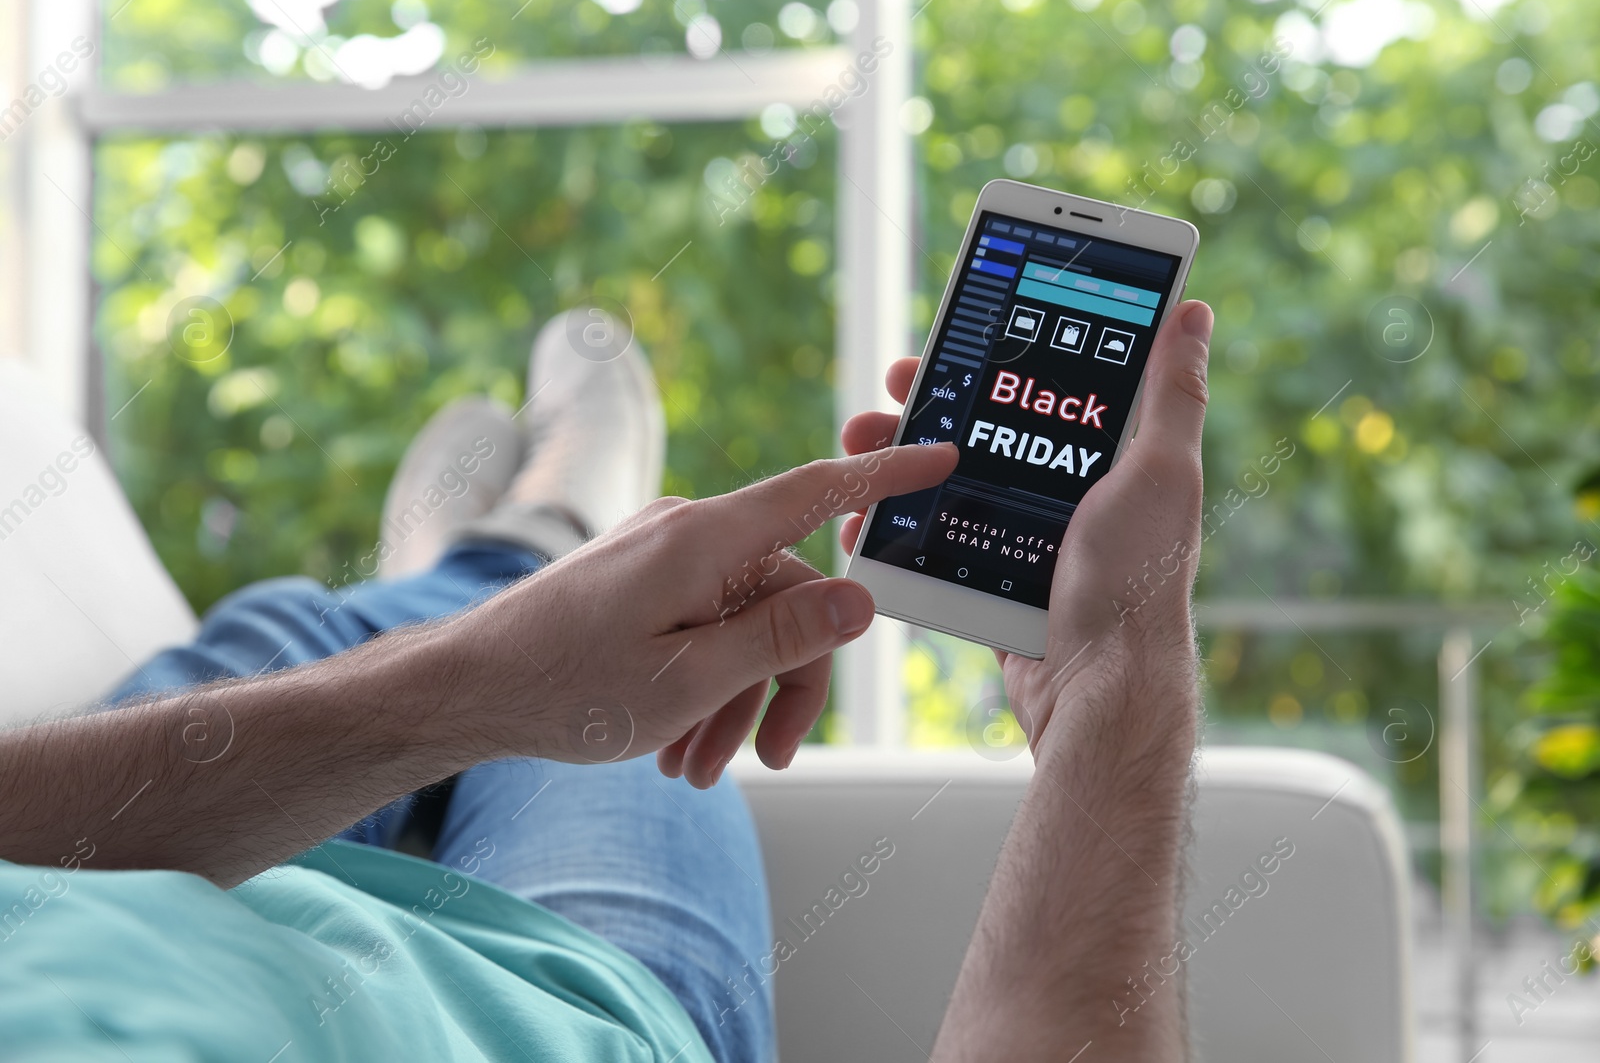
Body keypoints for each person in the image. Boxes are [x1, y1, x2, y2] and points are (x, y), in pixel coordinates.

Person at [0, 298, 1214, 1063]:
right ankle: (520, 545)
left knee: (272, 625)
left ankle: (476, 564)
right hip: (555, 996)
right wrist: (1114, 683)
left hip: (90, 860)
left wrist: (477, 678)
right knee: (319, 638)